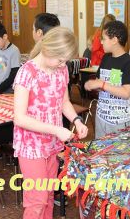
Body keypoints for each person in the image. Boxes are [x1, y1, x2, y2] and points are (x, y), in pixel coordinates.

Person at [13, 27, 88, 219]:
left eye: (65, 61)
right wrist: (56, 129)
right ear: (48, 49)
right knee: (37, 200)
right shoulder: (26, 73)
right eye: (60, 59)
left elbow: (64, 102)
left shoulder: (61, 70)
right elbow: (19, 118)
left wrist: (77, 120)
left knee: (48, 195)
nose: (62, 64)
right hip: (31, 145)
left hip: (51, 144)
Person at [84, 21, 130, 139]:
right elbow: (110, 85)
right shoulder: (106, 58)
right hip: (102, 117)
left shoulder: (128, 62)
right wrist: (95, 85)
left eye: (103, 38)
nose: (101, 42)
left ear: (114, 40)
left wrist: (101, 84)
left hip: (119, 121)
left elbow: (125, 93)